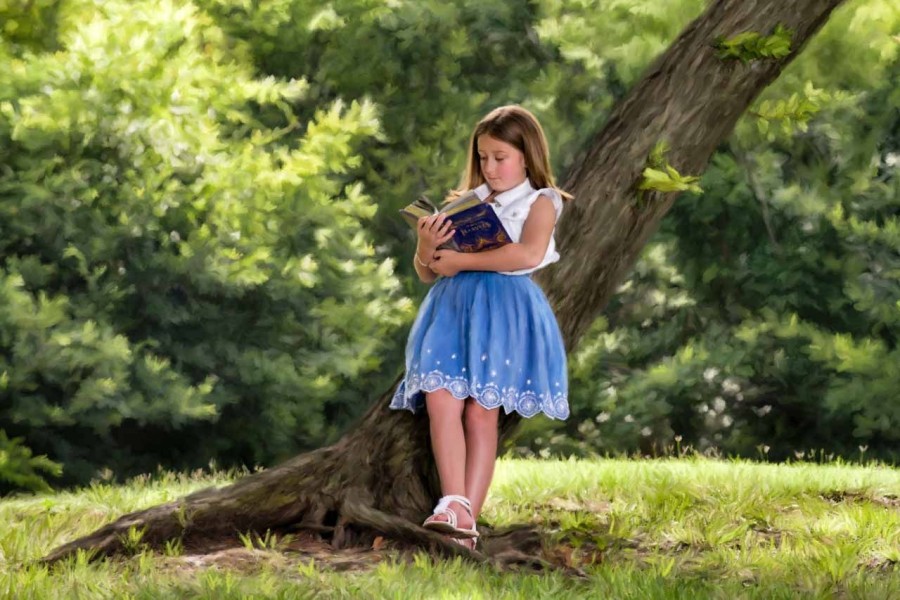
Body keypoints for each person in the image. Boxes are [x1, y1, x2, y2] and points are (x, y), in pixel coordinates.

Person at [390, 105, 571, 550]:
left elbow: (526, 255)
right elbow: (429, 272)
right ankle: (452, 503)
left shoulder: (542, 202)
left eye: (500, 157)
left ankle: (467, 518)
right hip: (452, 311)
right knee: (441, 398)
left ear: (526, 156)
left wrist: (462, 261)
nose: (490, 167)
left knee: (479, 410)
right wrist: (425, 245)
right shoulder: (470, 201)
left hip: (503, 311)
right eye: (484, 157)